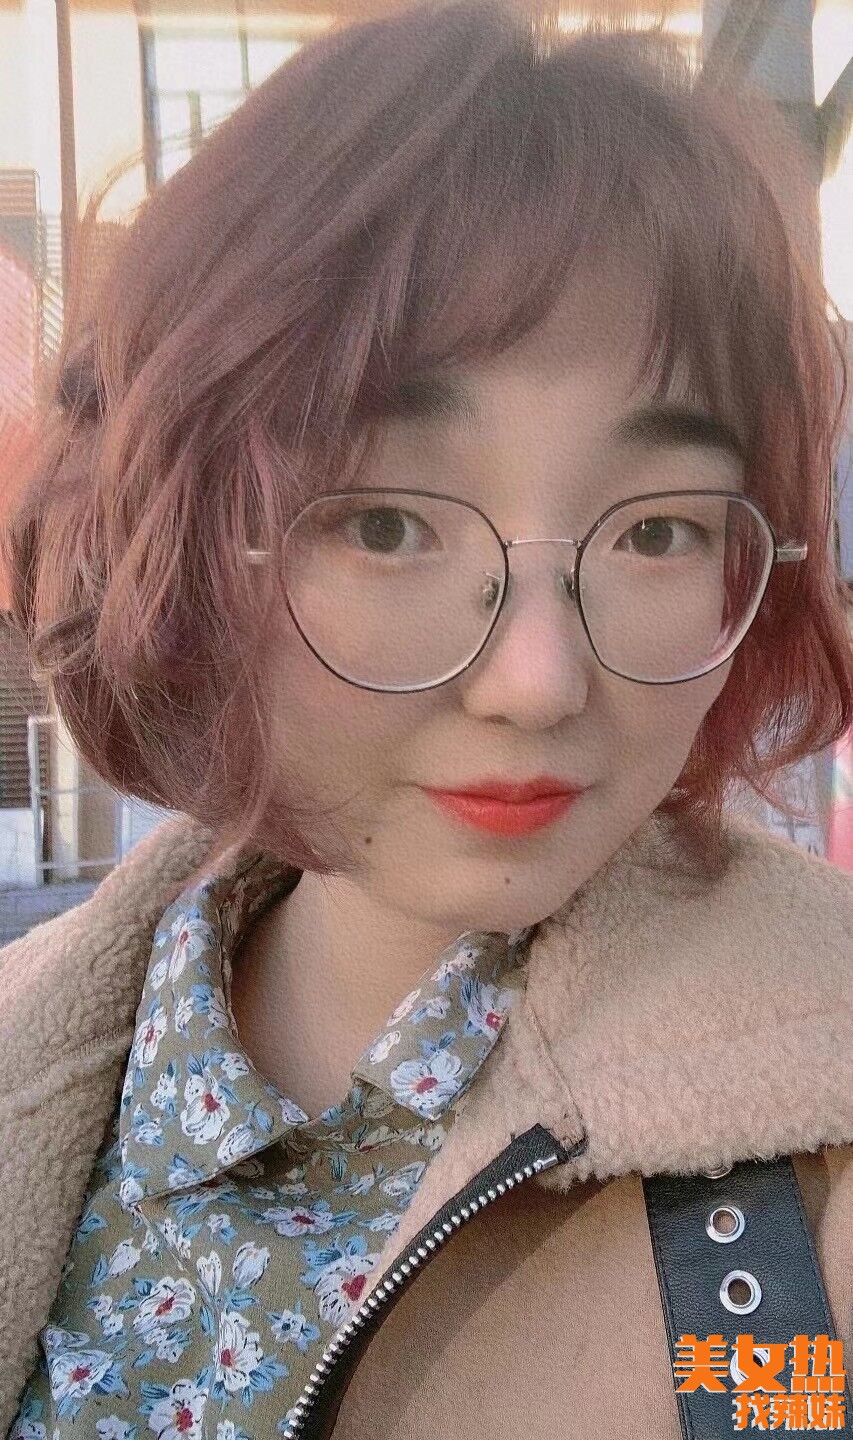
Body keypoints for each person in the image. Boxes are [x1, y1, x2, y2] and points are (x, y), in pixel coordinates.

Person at [1, 1, 851, 1436]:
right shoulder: (35, 1052)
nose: (537, 681)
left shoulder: (813, 1157)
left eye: (655, 531)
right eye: (386, 522)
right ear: (193, 541)